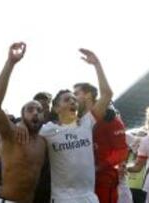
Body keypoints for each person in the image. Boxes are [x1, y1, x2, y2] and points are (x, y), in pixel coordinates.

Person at [40, 49, 113, 203]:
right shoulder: (47, 130)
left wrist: (97, 65)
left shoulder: (86, 123)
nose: (73, 102)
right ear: (56, 108)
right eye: (67, 100)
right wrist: (20, 125)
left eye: (74, 99)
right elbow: (27, 130)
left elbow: (107, 94)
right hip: (61, 199)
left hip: (89, 197)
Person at [0, 42, 47, 203]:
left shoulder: (44, 141)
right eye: (30, 110)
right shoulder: (12, 134)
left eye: (39, 110)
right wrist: (10, 63)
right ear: (22, 116)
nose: (35, 112)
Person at [74, 81, 128, 203]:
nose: (74, 98)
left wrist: (99, 167)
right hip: (81, 181)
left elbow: (122, 151)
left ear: (88, 95)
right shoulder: (76, 120)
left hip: (103, 179)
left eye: (76, 94)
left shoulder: (109, 118)